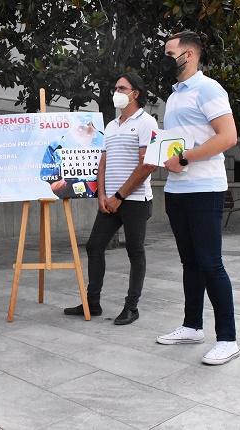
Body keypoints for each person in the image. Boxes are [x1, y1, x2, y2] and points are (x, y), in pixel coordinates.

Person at [155, 31, 240, 365]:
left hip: (205, 189)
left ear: (188, 55)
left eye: (168, 52)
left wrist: (186, 158)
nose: (163, 58)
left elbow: (229, 136)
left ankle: (228, 338)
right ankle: (192, 326)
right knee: (189, 262)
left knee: (210, 263)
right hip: (177, 190)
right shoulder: (175, 94)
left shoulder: (207, 88)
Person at [64, 73, 158, 324]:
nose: (115, 91)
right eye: (115, 87)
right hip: (110, 200)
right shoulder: (112, 125)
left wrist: (119, 196)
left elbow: (147, 165)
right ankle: (92, 302)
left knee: (135, 252)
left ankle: (132, 307)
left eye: (121, 87)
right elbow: (103, 161)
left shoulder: (146, 122)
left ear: (135, 93)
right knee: (95, 246)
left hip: (136, 201)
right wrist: (102, 194)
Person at [40, 115, 103, 198]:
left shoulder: (106, 141)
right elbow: (51, 186)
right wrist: (67, 180)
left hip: (105, 205)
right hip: (69, 205)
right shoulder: (57, 145)